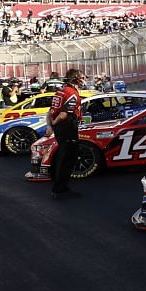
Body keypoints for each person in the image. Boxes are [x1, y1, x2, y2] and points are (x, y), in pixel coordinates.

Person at [47, 68, 85, 198]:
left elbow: (50, 111)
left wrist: (51, 125)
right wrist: (55, 123)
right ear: (75, 79)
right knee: (68, 158)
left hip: (61, 128)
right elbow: (63, 115)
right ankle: (60, 190)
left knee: (63, 157)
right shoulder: (72, 93)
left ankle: (59, 188)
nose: (83, 80)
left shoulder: (60, 91)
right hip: (67, 126)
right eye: (82, 78)